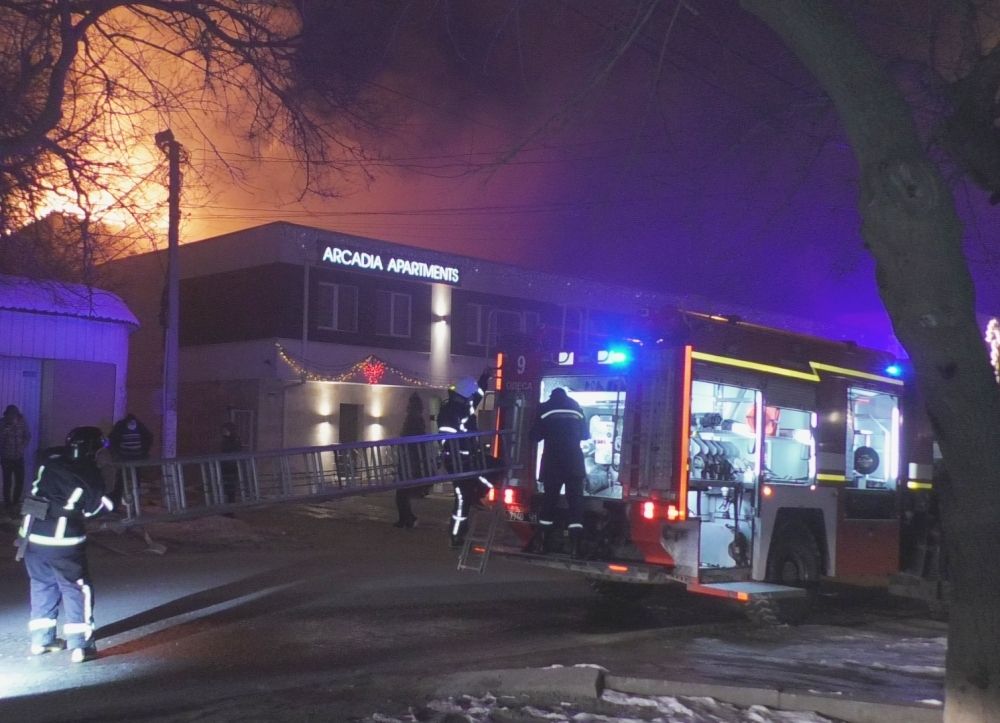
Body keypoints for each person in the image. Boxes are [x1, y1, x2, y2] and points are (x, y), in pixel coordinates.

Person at [18, 427, 113, 663]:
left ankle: (42, 640)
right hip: (62, 541)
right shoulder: (88, 473)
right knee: (76, 588)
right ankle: (81, 645)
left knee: (42, 584)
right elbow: (95, 509)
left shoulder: (49, 463)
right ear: (92, 450)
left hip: (31, 536)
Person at [526, 387, 589, 557]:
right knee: (575, 502)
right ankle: (575, 547)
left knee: (549, 501)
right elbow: (585, 435)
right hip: (574, 463)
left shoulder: (544, 408)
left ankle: (542, 543)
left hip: (553, 463)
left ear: (551, 396)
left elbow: (534, 436)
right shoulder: (577, 408)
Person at [437, 369, 492, 547]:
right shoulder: (450, 412)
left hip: (468, 459)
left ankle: (475, 496)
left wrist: (484, 378)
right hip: (457, 460)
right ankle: (456, 535)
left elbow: (477, 396)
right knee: (462, 498)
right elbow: (448, 437)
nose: (471, 400)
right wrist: (466, 440)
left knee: (475, 488)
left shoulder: (462, 406)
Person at [394, 393, 427, 529]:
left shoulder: (412, 420)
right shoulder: (418, 420)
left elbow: (409, 437)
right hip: (411, 459)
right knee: (403, 492)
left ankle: (407, 518)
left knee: (401, 492)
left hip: (409, 459)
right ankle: (407, 518)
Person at [108, 413, 153, 504]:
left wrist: (115, 452)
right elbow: (149, 437)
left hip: (125, 456)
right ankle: (135, 501)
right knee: (135, 478)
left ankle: (117, 500)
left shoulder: (121, 426)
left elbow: (112, 438)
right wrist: (144, 452)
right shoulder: (140, 426)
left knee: (121, 478)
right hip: (137, 456)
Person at [1, 404, 31, 516]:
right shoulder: (2, 423)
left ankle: (15, 502)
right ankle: (7, 504)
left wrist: (22, 447)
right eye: (10, 415)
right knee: (7, 481)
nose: (12, 417)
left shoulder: (22, 422)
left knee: (20, 480)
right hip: (6, 457)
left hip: (19, 457)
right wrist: (7, 429)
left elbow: (27, 436)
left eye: (14, 415)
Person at [220, 421, 243, 504]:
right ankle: (229, 503)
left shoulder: (233, 440)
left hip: (230, 467)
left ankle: (230, 504)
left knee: (230, 486)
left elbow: (231, 451)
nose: (223, 431)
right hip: (227, 466)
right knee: (227, 486)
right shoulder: (228, 440)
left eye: (225, 430)